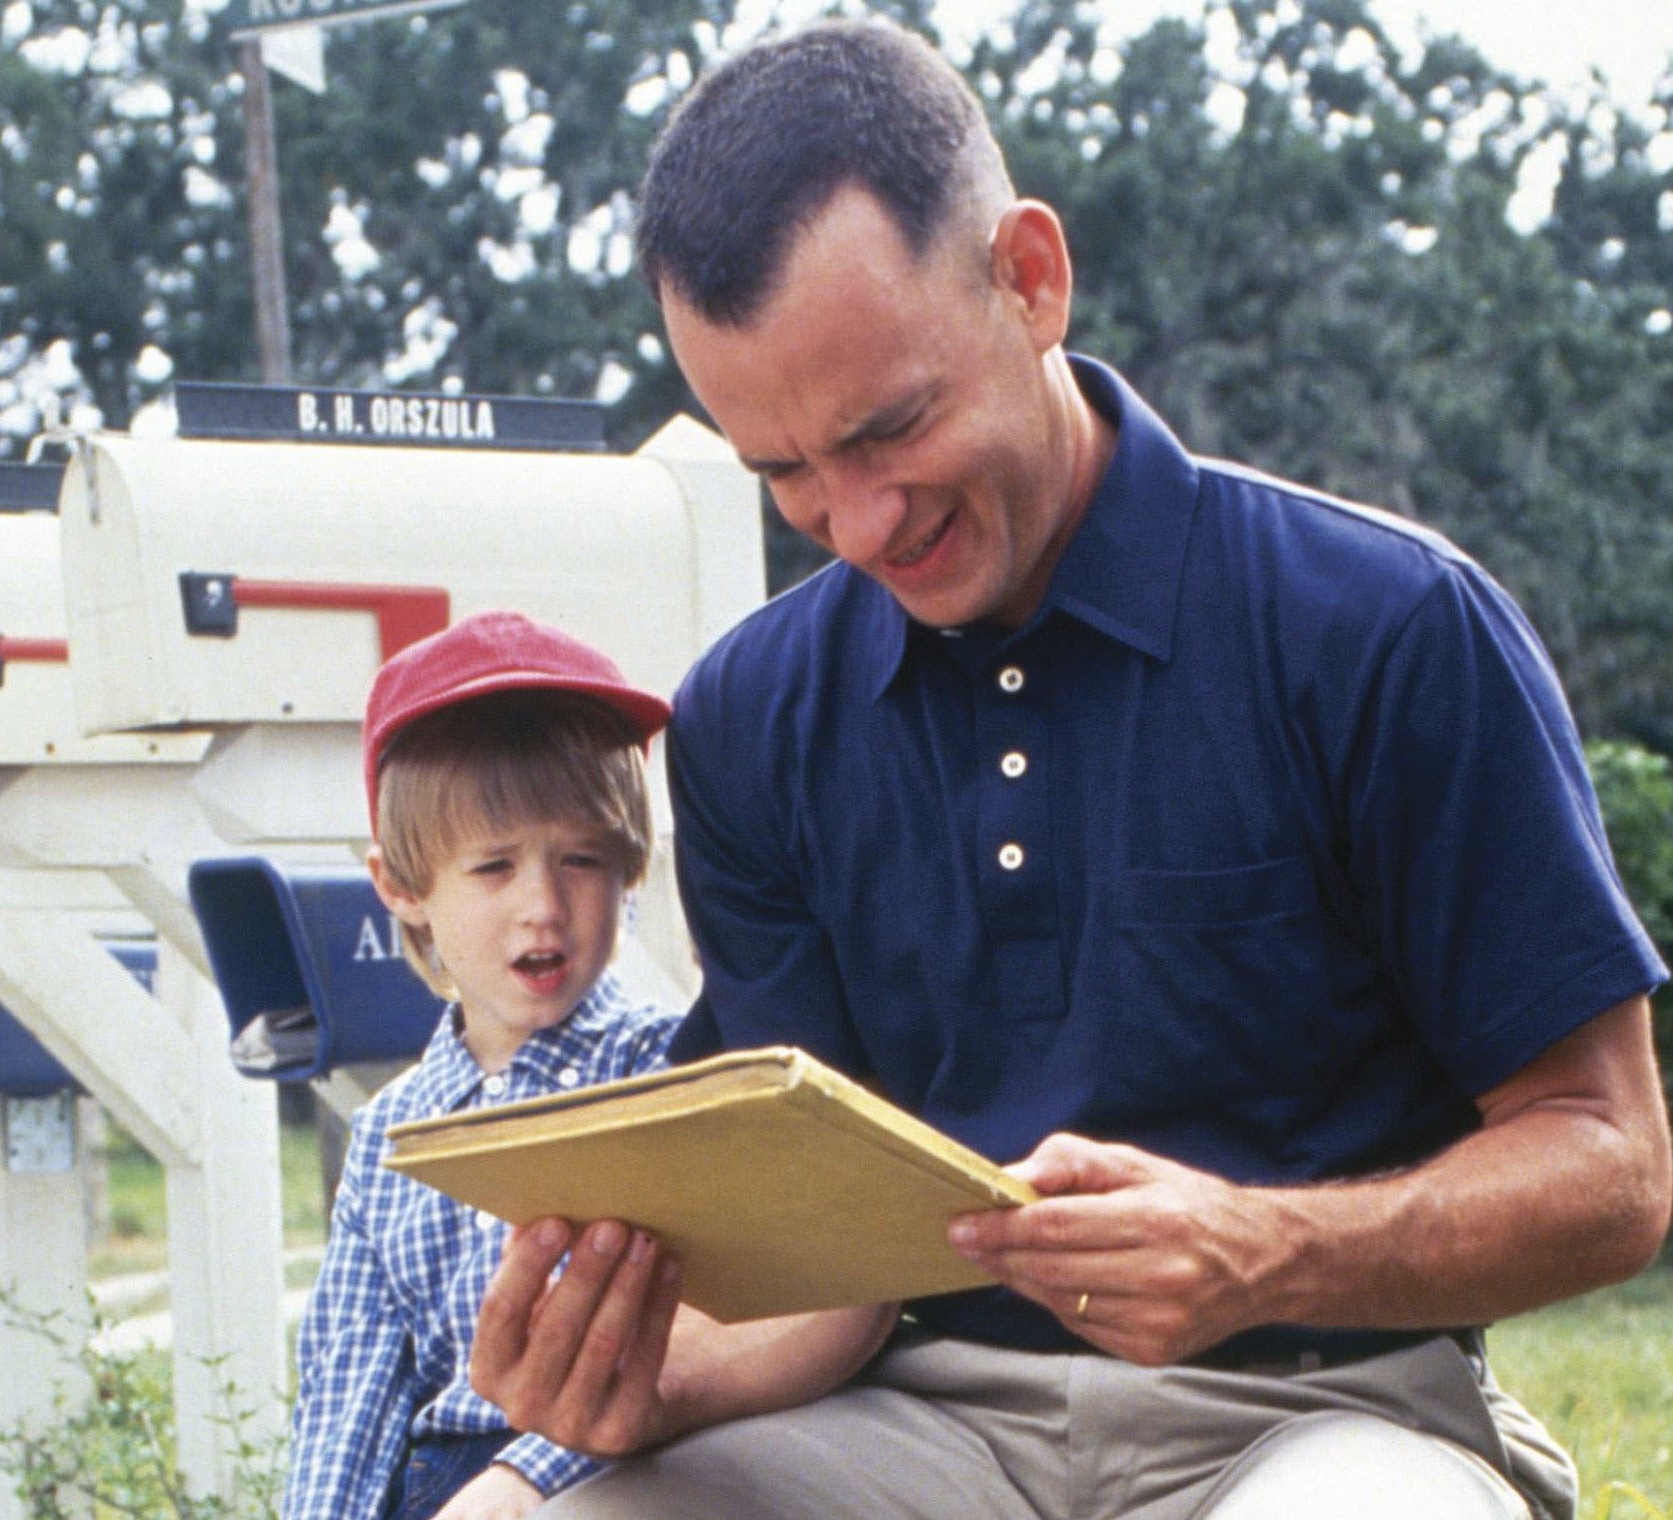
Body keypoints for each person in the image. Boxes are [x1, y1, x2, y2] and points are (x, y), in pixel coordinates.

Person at [466, 19, 1673, 1520]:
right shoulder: (747, 718)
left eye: (887, 428)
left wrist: (1264, 1249)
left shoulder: (1383, 627)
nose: (853, 525)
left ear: (1028, 278)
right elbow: (827, 1287)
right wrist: (647, 1382)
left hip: (1321, 1413)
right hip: (916, 1423)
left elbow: (1609, 1168)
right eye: (779, 471)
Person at [280, 610, 681, 1520]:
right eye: (493, 868)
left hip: (610, 1469)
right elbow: (352, 1383)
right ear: (401, 887)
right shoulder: (394, 1131)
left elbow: (688, 1340)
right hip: (431, 1481)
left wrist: (527, 1479)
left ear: (629, 867)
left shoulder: (661, 1072)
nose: (543, 906)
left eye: (581, 859)